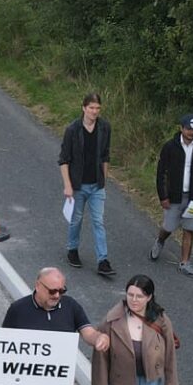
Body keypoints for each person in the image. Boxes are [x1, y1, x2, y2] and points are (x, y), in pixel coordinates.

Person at [59, 92, 113, 276]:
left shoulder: (104, 128)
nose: (94, 112)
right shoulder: (73, 130)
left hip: (97, 184)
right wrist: (68, 185)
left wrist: (104, 180)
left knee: (99, 221)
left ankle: (103, 260)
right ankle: (72, 249)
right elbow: (64, 160)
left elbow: (105, 155)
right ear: (83, 108)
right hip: (78, 184)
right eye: (91, 108)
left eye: (97, 108)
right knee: (77, 219)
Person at [150, 113, 193, 277]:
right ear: (181, 128)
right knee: (169, 226)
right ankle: (160, 240)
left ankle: (185, 262)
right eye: (188, 128)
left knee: (189, 229)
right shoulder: (170, 147)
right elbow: (161, 172)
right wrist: (163, 196)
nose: (191, 132)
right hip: (174, 195)